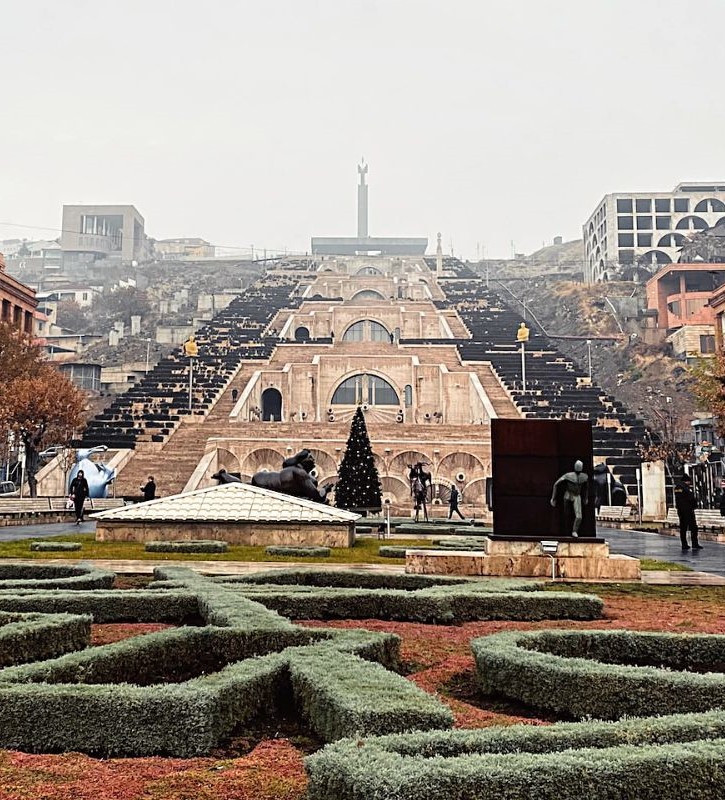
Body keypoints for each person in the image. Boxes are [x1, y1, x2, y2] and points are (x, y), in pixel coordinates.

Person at [550, 460, 588, 537]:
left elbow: (586, 488)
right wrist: (553, 498)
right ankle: (566, 529)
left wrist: (585, 498)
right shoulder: (568, 475)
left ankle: (574, 531)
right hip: (568, 494)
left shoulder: (584, 476)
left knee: (579, 516)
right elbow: (556, 484)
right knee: (566, 514)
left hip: (577, 495)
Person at [675, 475, 702, 551]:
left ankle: (684, 544)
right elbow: (691, 498)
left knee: (683, 528)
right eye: (689, 481)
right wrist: (694, 505)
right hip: (688, 510)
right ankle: (694, 543)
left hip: (681, 511)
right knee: (693, 527)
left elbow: (679, 499)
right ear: (687, 481)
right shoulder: (685, 488)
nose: (689, 483)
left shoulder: (677, 488)